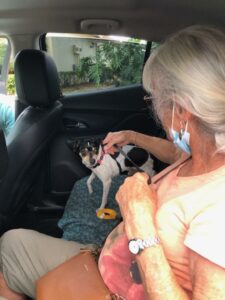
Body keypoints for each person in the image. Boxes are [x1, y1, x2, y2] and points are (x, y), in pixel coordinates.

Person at [0, 24, 225, 300]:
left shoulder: (219, 207)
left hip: (118, 291)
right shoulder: (204, 155)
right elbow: (176, 155)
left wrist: (140, 223)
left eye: (155, 101)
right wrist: (131, 136)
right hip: (110, 266)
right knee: (10, 245)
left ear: (181, 109)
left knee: (7, 266)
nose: (155, 111)